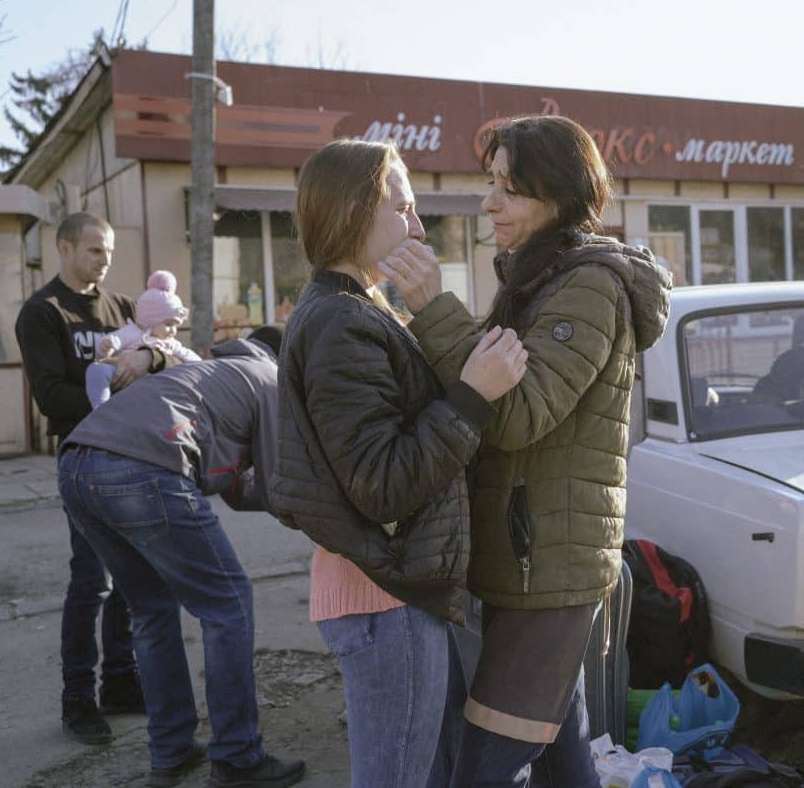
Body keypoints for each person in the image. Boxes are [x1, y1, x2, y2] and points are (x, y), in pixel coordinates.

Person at [379, 114, 673, 787]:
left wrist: (431, 305)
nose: (488, 202)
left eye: (509, 188)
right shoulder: (539, 277)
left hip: (551, 572)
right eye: (491, 182)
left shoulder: (588, 286)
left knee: (486, 761)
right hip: (530, 560)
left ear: (559, 196)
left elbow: (515, 414)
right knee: (561, 746)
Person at [267, 138, 528, 788]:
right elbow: (385, 485)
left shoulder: (352, 310)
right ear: (355, 210)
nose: (417, 225)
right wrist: (474, 392)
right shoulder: (340, 322)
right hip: (384, 597)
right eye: (403, 208)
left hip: (389, 589)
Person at [57, 326, 306, 788]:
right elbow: (279, 486)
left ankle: (170, 752)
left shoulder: (208, 374)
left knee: (151, 610)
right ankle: (237, 757)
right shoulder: (270, 378)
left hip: (76, 466)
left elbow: (236, 489)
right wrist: (324, 522)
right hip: (145, 467)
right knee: (228, 604)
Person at [15, 212, 174, 745]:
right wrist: (108, 382)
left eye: (108, 251)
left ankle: (121, 684)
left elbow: (165, 351)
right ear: (64, 248)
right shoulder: (43, 312)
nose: (105, 261)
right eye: (94, 251)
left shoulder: (122, 306)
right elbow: (51, 397)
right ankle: (78, 699)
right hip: (82, 459)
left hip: (131, 455)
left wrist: (148, 356)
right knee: (92, 582)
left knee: (131, 575)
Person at [86, 270, 201, 408]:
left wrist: (200, 365)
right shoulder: (132, 332)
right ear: (150, 320)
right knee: (97, 369)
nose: (173, 331)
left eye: (176, 325)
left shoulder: (170, 343)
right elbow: (114, 339)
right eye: (169, 324)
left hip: (152, 385)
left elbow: (188, 356)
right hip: (122, 376)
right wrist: (106, 345)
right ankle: (101, 407)